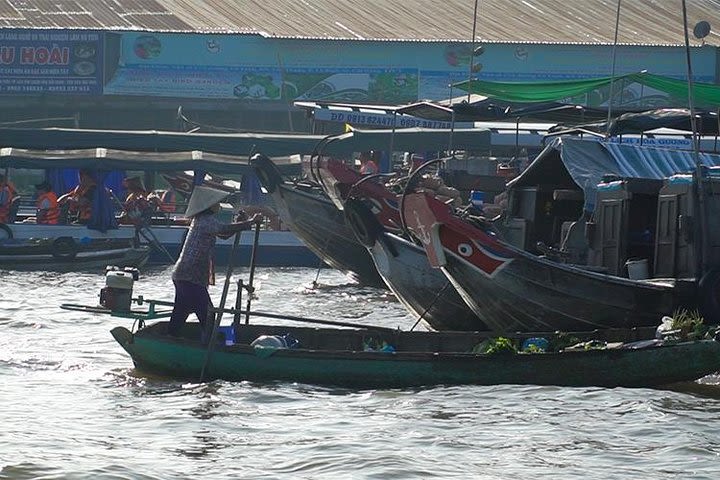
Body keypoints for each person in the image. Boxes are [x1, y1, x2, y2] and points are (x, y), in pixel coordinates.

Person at [167, 185, 263, 340]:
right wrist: (250, 222)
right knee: (208, 314)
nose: (218, 205)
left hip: (185, 275)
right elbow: (223, 229)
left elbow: (224, 234)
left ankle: (171, 338)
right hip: (190, 275)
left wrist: (241, 224)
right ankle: (208, 346)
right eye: (216, 203)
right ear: (208, 206)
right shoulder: (204, 220)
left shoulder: (204, 221)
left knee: (181, 311)